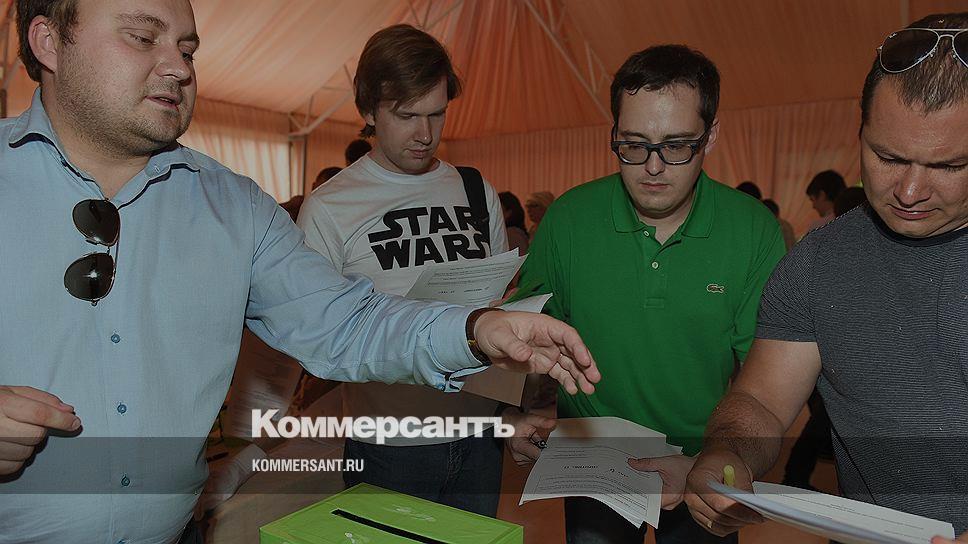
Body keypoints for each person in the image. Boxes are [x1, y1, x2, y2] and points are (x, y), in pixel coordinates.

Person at [0, 2, 600, 542]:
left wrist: (475, 329)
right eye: (141, 37)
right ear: (49, 41)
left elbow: (344, 321)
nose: (179, 68)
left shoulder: (236, 208)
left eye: (187, 49)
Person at [684, 13, 968, 542]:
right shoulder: (820, 261)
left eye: (948, 167)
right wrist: (727, 453)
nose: (909, 191)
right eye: (886, 156)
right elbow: (762, 401)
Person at [511, 44, 786, 544]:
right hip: (593, 462)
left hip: (703, 460)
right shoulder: (569, 220)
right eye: (633, 145)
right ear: (613, 133)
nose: (653, 167)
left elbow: (765, 378)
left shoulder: (753, 231)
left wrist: (720, 456)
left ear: (712, 135)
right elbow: (527, 336)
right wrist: (521, 413)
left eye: (677, 146)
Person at [297, 23, 553, 517]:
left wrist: (506, 412)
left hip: (479, 438)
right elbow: (319, 344)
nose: (425, 134)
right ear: (369, 111)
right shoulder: (330, 208)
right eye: (406, 115)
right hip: (388, 447)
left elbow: (492, 316)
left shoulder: (475, 190)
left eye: (437, 114)